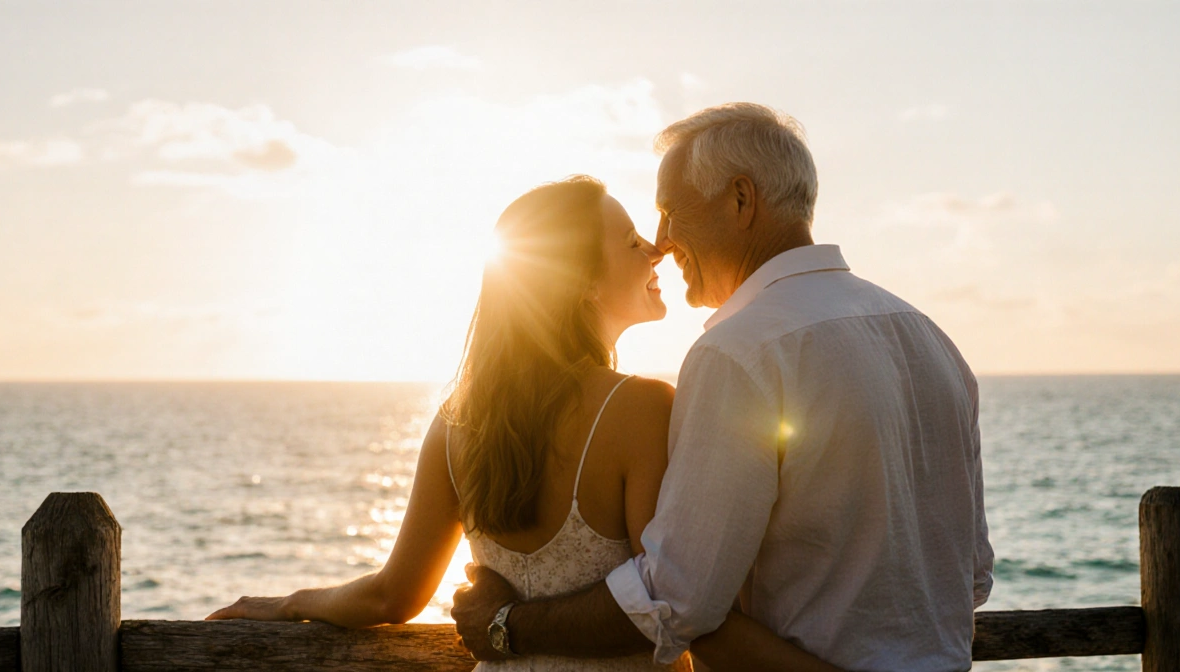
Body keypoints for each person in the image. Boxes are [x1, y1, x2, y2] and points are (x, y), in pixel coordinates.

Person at [206, 176, 842, 671]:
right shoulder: (643, 408)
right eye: (630, 244)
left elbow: (389, 597)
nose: (658, 247)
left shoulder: (459, 422)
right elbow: (673, 602)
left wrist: (289, 602)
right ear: (583, 284)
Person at [453, 104, 994, 671]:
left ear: (740, 199)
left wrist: (507, 624)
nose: (661, 241)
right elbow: (972, 577)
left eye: (668, 212)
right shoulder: (931, 339)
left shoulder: (740, 353)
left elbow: (677, 599)